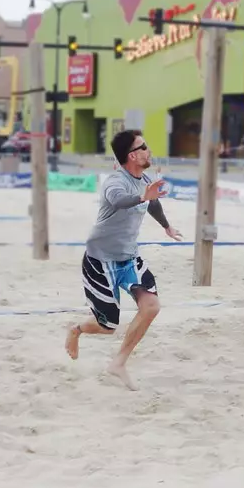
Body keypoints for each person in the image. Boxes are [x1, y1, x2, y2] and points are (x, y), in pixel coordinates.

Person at [65, 128, 182, 387]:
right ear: (131, 155)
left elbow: (153, 203)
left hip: (129, 257)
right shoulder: (114, 182)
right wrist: (143, 195)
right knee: (107, 327)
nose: (148, 149)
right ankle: (77, 330)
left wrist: (166, 226)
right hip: (99, 261)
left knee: (151, 306)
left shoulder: (144, 180)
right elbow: (119, 201)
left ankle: (118, 364)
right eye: (143, 146)